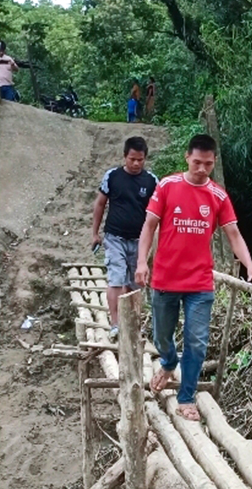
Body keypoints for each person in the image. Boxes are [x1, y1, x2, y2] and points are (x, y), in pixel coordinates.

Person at [135, 134, 252, 421]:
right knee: (161, 335)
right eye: (197, 162)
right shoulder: (167, 186)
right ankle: (169, 361)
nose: (202, 169)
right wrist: (141, 263)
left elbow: (233, 233)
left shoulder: (218, 195)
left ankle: (186, 397)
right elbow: (149, 226)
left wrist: (250, 266)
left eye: (208, 164)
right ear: (187, 157)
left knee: (196, 341)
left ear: (214, 162)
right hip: (165, 278)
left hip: (199, 282)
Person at [92, 136, 158, 340]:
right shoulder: (112, 177)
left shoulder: (151, 181)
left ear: (145, 158)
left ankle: (132, 322)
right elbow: (100, 204)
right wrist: (95, 233)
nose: (136, 163)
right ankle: (115, 323)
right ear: (124, 157)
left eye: (140, 159)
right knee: (116, 278)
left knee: (135, 282)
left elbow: (156, 213)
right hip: (114, 238)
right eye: (132, 159)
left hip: (139, 240)